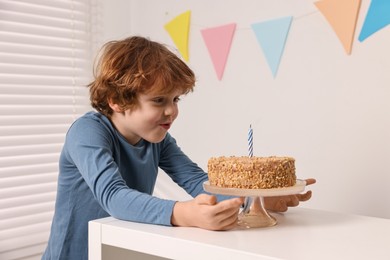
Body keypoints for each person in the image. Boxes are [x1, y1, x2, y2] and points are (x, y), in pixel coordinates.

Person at [42, 36, 316, 260]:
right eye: (159, 100)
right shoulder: (87, 132)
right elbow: (113, 196)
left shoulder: (157, 139)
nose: (171, 110)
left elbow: (197, 181)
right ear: (116, 100)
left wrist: (252, 202)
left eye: (176, 99)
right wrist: (183, 213)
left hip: (119, 250)